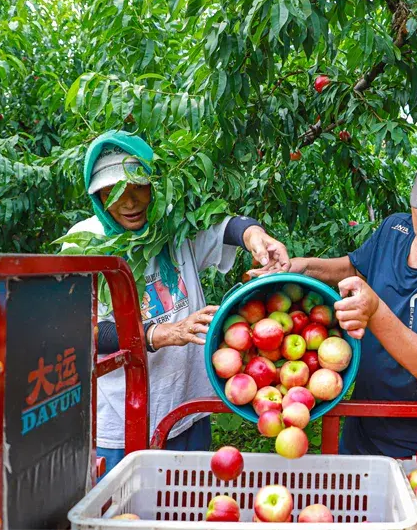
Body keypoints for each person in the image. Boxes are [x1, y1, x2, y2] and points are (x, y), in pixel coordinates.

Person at [253, 142, 417, 457]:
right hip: (360, 424)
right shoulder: (396, 229)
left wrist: (373, 309)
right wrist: (298, 267)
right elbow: (354, 267)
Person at [61, 130, 290, 476]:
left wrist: (255, 235)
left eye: (139, 186)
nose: (130, 201)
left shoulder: (170, 228)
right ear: (98, 196)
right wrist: (159, 333)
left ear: (154, 185)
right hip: (121, 418)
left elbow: (225, 227)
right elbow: (81, 328)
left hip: (186, 406)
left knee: (187, 505)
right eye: (114, 192)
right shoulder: (85, 245)